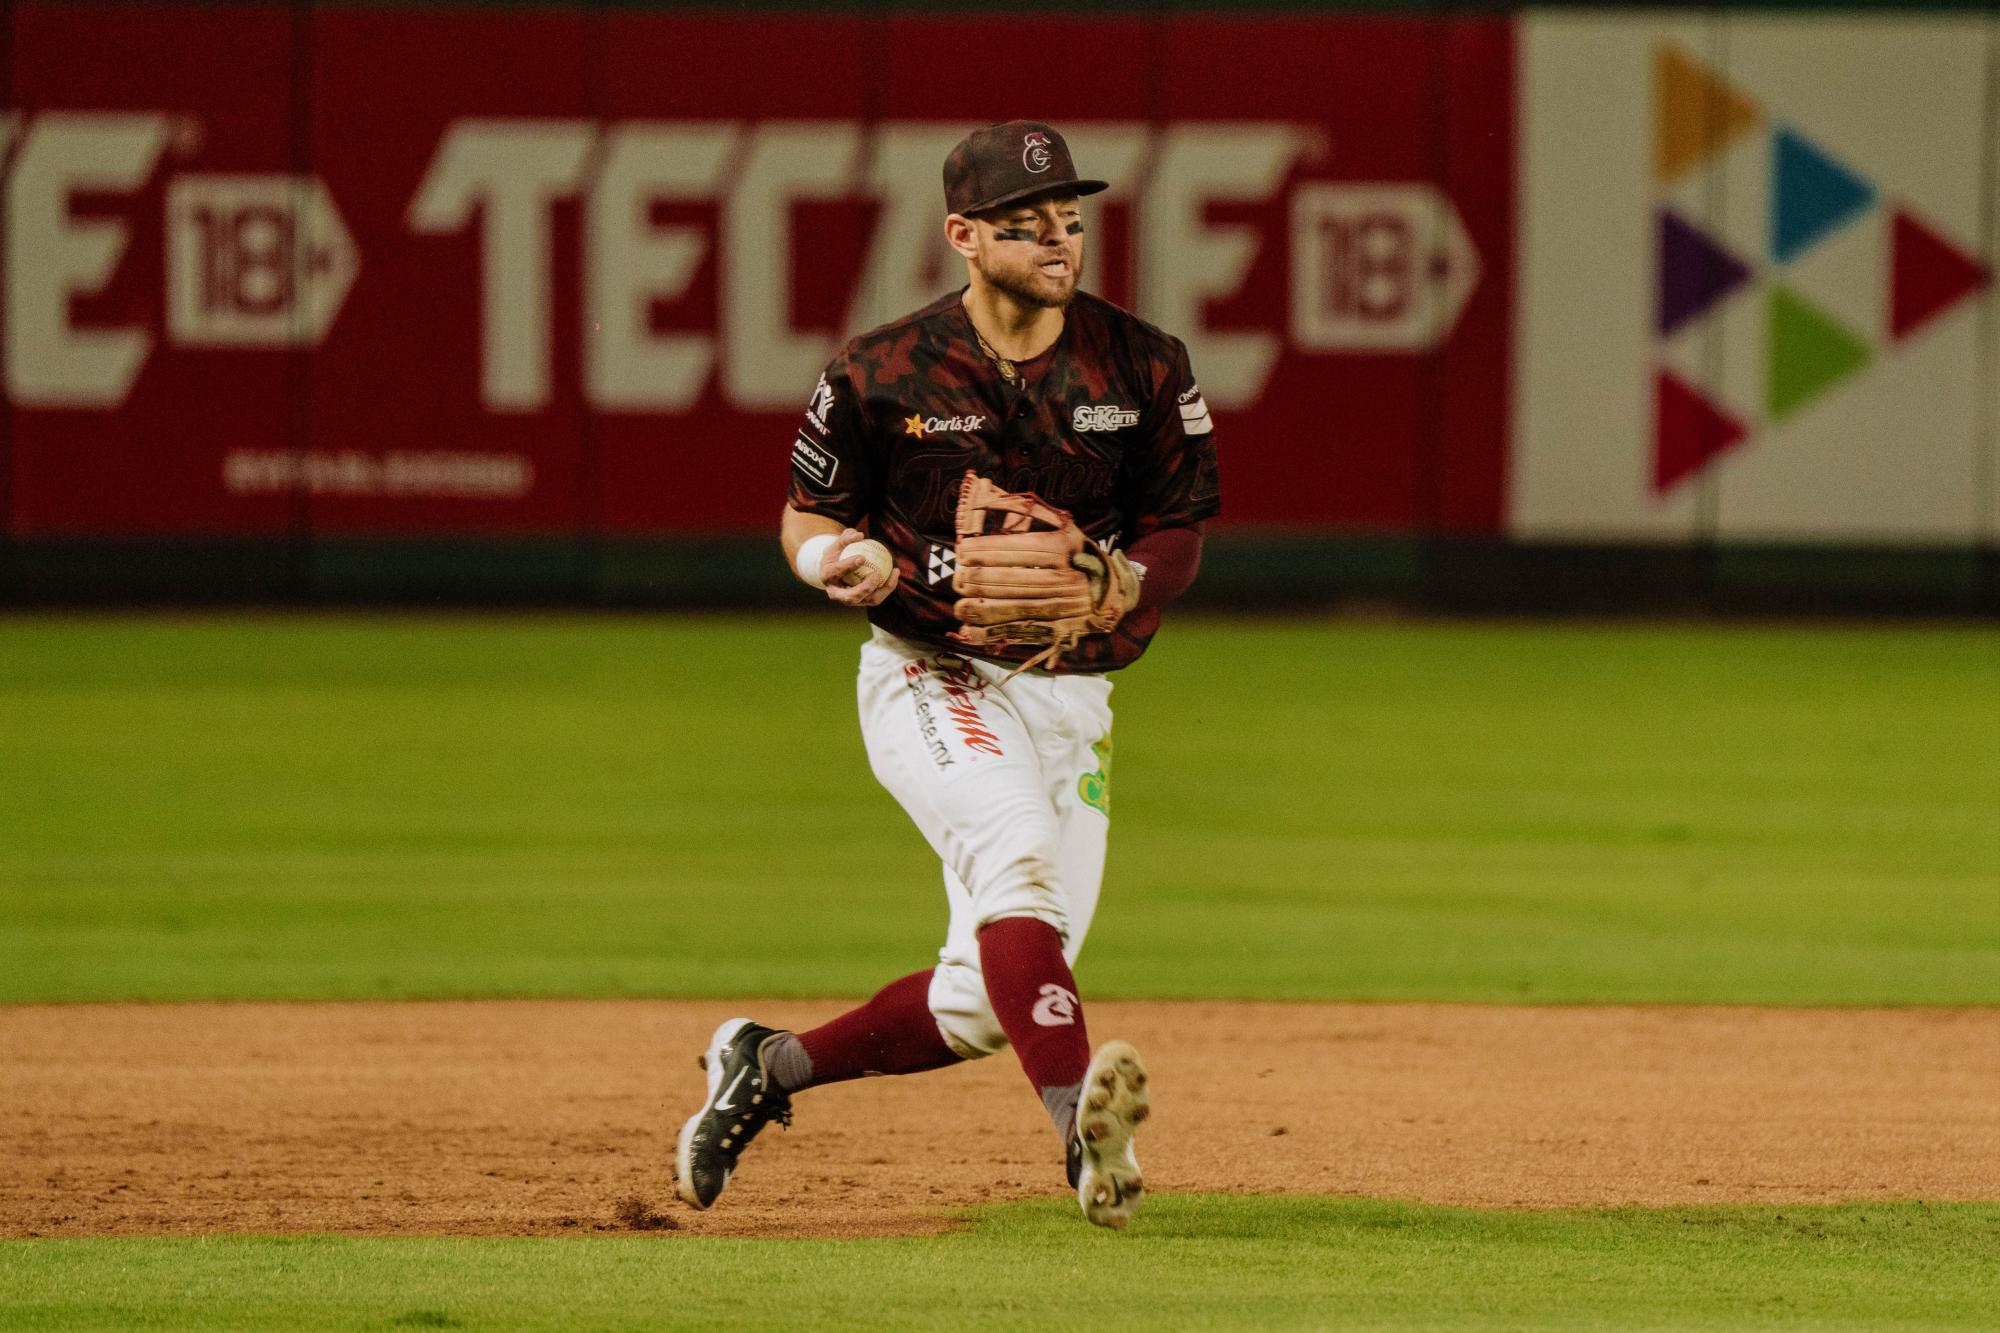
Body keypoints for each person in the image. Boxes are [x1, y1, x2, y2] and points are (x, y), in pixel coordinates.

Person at [673, 120, 1218, 1230]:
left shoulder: (1143, 361)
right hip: (931, 672)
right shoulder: (880, 371)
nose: (1056, 241)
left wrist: (1123, 587)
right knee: (1016, 867)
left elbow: (1179, 528)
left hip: (1074, 691)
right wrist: (837, 556)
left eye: (1067, 219)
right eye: (1024, 225)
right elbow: (807, 511)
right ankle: (1081, 1135)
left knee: (982, 1001)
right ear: (962, 235)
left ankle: (761, 1066)